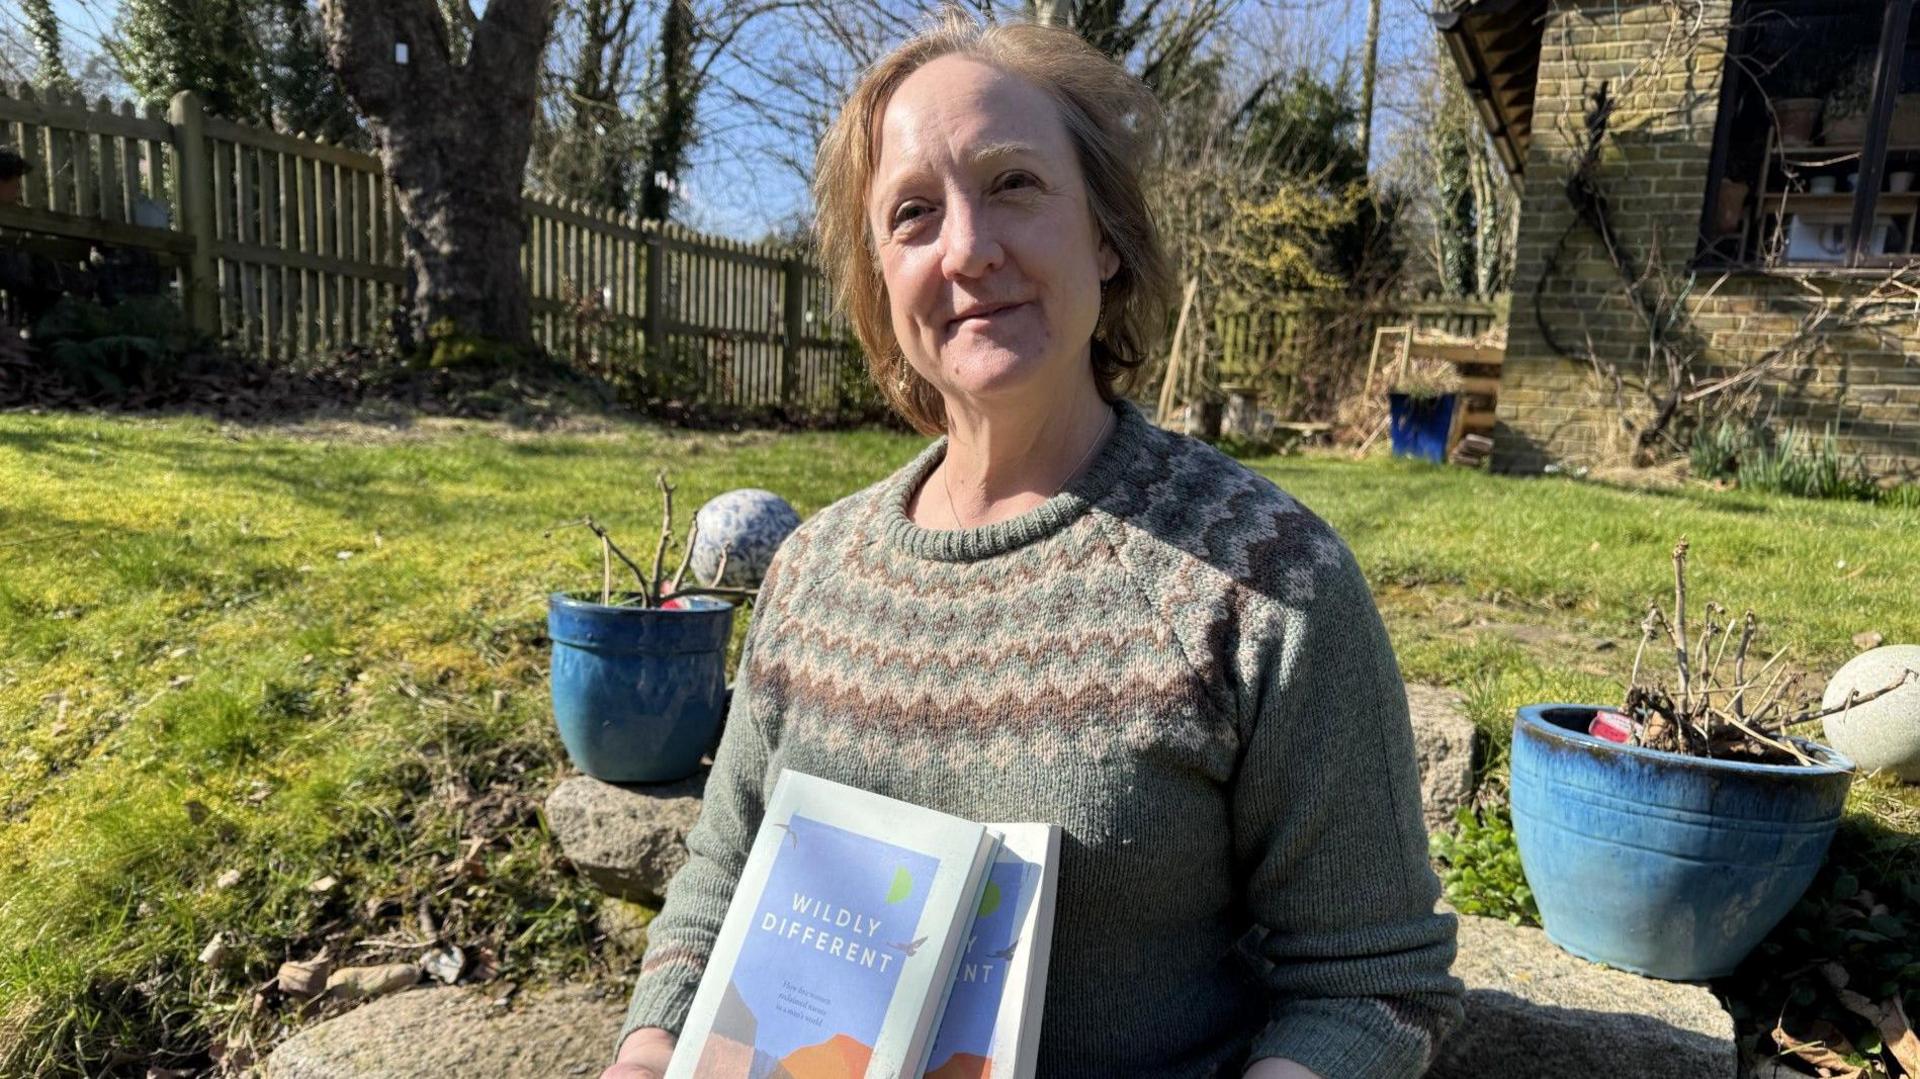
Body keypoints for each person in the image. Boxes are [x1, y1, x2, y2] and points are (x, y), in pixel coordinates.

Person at [604, 13, 1461, 1079]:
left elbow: (1373, 979)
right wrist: (649, 1051)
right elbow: (719, 882)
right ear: (878, 281)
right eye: (913, 214)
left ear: (1104, 232)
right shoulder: (810, 572)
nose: (967, 247)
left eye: (1013, 183)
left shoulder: (1269, 583)